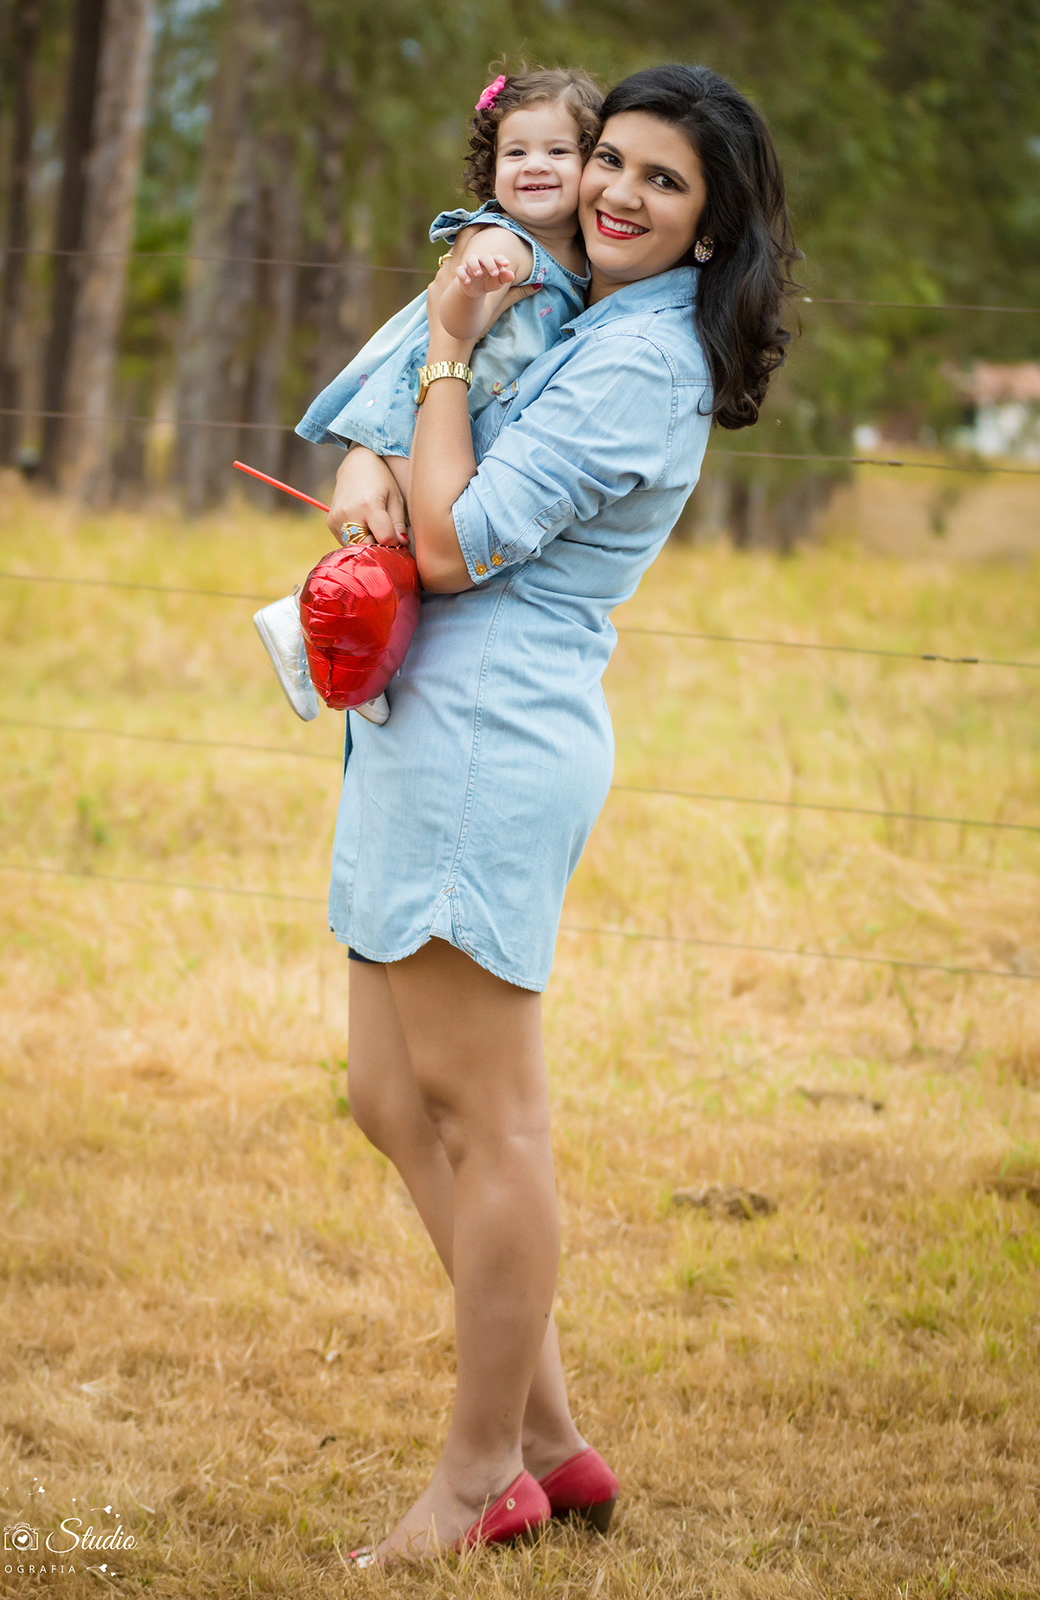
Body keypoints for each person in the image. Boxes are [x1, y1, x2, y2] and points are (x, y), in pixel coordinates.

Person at [325, 63, 797, 1566]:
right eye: (611, 160)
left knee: (491, 1116)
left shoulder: (640, 364)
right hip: (424, 724)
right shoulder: (580, 314)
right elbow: (394, 450)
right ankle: (550, 1442)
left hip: (491, 735)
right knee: (393, 1100)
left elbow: (458, 543)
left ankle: (480, 1482)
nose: (617, 192)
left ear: (713, 229)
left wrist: (450, 355)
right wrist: (366, 456)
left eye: (664, 181)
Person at [253, 68, 602, 726]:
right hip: (419, 419)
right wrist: (472, 287)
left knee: (406, 547)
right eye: (516, 152)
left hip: (449, 418)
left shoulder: (577, 258)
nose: (536, 166)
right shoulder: (506, 244)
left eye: (559, 151)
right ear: (490, 167)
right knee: (418, 544)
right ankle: (311, 626)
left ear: (591, 160)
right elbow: (456, 328)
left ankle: (361, 649)